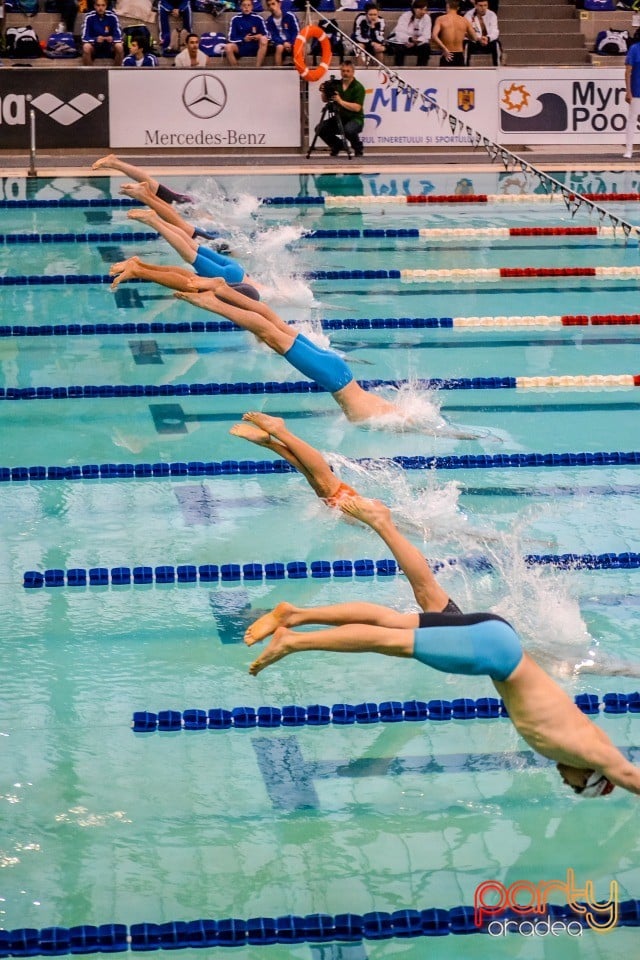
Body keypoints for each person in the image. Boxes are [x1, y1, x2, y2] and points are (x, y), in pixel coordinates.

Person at [243, 599, 640, 797]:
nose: (564, 781)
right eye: (575, 787)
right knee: (390, 640)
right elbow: (628, 775)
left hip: (498, 637)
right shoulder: (592, 753)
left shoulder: (586, 743)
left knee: (392, 622)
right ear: (590, 778)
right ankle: (294, 640)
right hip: (495, 654)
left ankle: (293, 615)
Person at [231, 420, 461, 614]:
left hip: (375, 521)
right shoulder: (417, 533)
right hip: (373, 519)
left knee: (321, 483)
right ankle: (279, 432)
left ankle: (273, 441)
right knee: (325, 483)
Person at [91, 156, 193, 205]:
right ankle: (114, 162)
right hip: (185, 204)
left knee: (152, 187)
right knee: (152, 185)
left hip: (185, 207)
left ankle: (115, 163)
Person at [317, 60, 366, 158]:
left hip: (355, 119)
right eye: (343, 71)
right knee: (320, 128)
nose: (345, 73)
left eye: (348, 71)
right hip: (340, 117)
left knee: (348, 130)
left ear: (353, 72)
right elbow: (325, 100)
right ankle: (338, 145)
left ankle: (358, 148)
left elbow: (357, 108)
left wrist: (340, 101)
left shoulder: (358, 87)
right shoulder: (336, 84)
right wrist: (324, 91)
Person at [432, 0, 479, 66]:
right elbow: (475, 38)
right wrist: (464, 34)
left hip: (447, 54)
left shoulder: (440, 19)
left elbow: (434, 36)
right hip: (459, 55)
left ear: (447, 6)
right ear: (458, 8)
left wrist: (444, 49)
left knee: (444, 76)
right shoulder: (464, 20)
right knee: (460, 76)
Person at [225, 0, 269, 67]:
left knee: (264, 39)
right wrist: (243, 39)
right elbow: (231, 38)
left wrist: (260, 36)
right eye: (244, 5)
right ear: (240, 7)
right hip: (241, 47)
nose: (246, 7)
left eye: (248, 5)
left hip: (256, 47)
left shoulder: (258, 18)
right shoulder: (235, 19)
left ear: (252, 7)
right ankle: (236, 70)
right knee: (228, 47)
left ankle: (257, 68)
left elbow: (267, 35)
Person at [388, 0, 432, 67]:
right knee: (399, 49)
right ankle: (399, 68)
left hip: (416, 43)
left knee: (426, 47)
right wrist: (409, 39)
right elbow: (399, 33)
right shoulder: (405, 16)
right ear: (414, 9)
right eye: (420, 9)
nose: (423, 12)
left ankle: (421, 69)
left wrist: (416, 41)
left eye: (425, 10)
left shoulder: (427, 18)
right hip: (403, 42)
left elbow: (426, 35)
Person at [81, 0, 124, 66]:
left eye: (103, 5)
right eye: (98, 5)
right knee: (86, 47)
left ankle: (116, 72)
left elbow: (119, 36)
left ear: (106, 6)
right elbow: (84, 37)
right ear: (94, 6)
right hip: (94, 47)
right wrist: (95, 39)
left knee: (119, 46)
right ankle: (90, 74)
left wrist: (112, 38)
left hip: (109, 46)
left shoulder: (112, 16)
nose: (100, 8)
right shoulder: (88, 17)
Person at [464, 0, 501, 66]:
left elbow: (495, 31)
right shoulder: (468, 15)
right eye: (480, 6)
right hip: (475, 41)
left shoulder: (492, 15)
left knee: (496, 44)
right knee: (466, 44)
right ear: (475, 5)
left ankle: (497, 67)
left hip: (488, 40)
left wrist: (487, 38)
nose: (483, 8)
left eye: (485, 5)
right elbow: (468, 32)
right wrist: (478, 38)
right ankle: (465, 67)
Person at [264, 0, 299, 66]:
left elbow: (296, 32)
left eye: (273, 4)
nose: (271, 6)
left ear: (279, 4)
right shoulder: (269, 21)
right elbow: (272, 36)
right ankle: (278, 71)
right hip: (279, 43)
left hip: (291, 42)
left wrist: (291, 43)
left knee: (299, 46)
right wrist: (283, 43)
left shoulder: (290, 16)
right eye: (269, 5)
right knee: (279, 47)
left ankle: (301, 71)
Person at [624, 36, 640, 158]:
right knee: (632, 120)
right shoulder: (634, 49)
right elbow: (628, 71)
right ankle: (628, 149)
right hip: (636, 90)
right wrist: (628, 91)